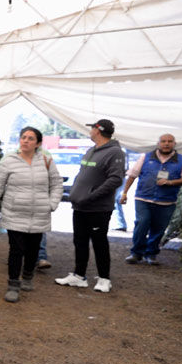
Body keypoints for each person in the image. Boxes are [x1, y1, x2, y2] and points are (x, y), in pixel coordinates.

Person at [0, 127, 63, 303]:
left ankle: (28, 276)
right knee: (16, 250)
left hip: (39, 214)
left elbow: (57, 184)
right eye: (23, 137)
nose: (25, 141)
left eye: (30, 138)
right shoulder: (9, 161)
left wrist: (52, 204)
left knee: (33, 251)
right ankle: (13, 285)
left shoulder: (47, 161)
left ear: (38, 143)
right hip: (14, 213)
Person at [55, 119, 126, 293]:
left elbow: (116, 179)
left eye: (92, 128)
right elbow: (83, 175)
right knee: (79, 241)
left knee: (99, 242)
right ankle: (79, 276)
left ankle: (104, 279)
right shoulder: (91, 150)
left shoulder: (115, 152)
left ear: (98, 130)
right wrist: (76, 194)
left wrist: (91, 196)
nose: (90, 131)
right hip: (80, 206)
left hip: (98, 208)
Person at [0, 147, 54, 270]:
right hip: (16, 201)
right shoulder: (12, 155)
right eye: (25, 138)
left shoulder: (45, 155)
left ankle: (39, 257)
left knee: (37, 230)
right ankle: (19, 258)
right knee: (17, 231)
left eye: (31, 138)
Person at [120, 133, 182, 265]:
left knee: (159, 228)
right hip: (143, 198)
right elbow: (132, 175)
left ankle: (151, 254)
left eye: (170, 141)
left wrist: (171, 182)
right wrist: (125, 193)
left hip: (167, 201)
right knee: (142, 223)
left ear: (174, 144)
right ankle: (136, 253)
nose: (166, 144)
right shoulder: (145, 157)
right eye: (163, 141)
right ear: (158, 143)